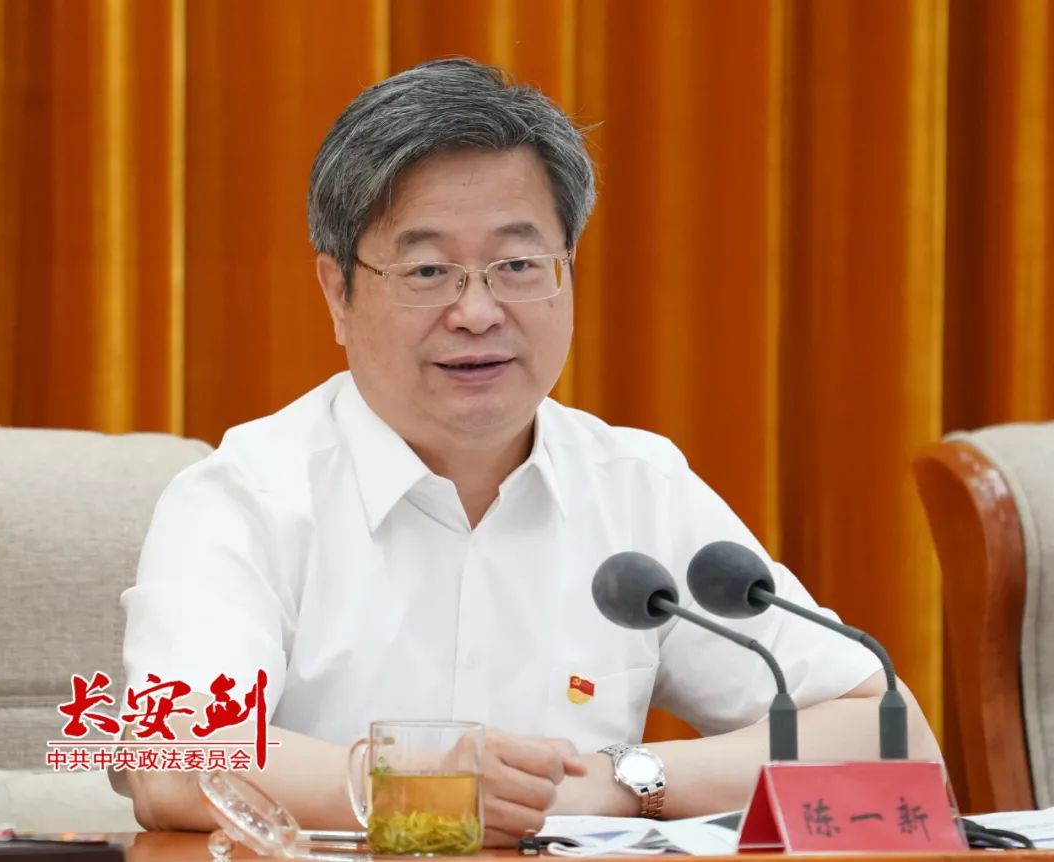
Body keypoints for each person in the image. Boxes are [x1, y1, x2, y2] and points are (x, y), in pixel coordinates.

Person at [117, 57, 939, 842]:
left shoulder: (636, 488)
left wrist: (626, 777)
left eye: (517, 264)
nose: (478, 313)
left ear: (567, 270)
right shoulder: (247, 497)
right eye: (428, 272)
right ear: (338, 292)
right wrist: (419, 784)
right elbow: (173, 759)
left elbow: (892, 740)